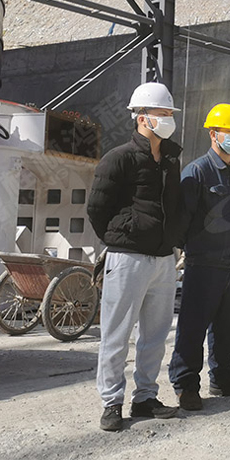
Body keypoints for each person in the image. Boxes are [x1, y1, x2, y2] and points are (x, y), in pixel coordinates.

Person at [87, 82, 182, 431]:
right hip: (127, 258)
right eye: (162, 113)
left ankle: (145, 397)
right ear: (142, 117)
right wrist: (123, 236)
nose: (168, 119)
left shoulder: (170, 161)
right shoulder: (119, 158)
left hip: (163, 259)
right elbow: (97, 209)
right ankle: (111, 402)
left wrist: (172, 241)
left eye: (170, 113)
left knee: (155, 336)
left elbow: (174, 207)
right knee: (116, 334)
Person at [168, 103, 230, 411]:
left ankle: (223, 378)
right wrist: (189, 251)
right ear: (212, 134)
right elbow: (182, 219)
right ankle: (186, 384)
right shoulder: (197, 171)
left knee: (228, 329)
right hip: (204, 264)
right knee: (193, 328)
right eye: (228, 131)